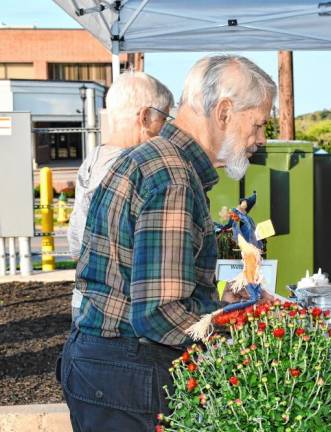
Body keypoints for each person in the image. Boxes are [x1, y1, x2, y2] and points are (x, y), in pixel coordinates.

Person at [58, 55, 277, 431]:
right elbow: (158, 313)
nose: (260, 139)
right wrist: (239, 329)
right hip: (127, 374)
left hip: (107, 368)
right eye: (257, 124)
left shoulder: (157, 161)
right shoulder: (172, 176)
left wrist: (214, 306)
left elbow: (139, 285)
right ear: (224, 112)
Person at [67, 72, 174, 319]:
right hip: (122, 316)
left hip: (85, 305)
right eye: (165, 118)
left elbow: (75, 243)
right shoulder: (135, 169)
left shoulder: (92, 161)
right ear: (145, 117)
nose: (166, 128)